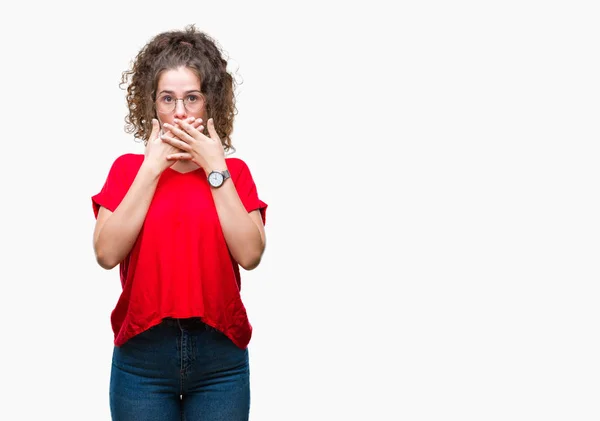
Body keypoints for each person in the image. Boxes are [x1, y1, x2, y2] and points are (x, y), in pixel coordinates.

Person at [91, 24, 267, 421]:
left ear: (210, 104)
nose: (181, 112)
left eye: (192, 98)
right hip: (142, 359)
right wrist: (151, 169)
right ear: (151, 104)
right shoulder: (127, 170)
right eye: (168, 99)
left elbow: (251, 254)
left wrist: (214, 168)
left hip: (220, 359)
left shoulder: (233, 173)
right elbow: (106, 253)